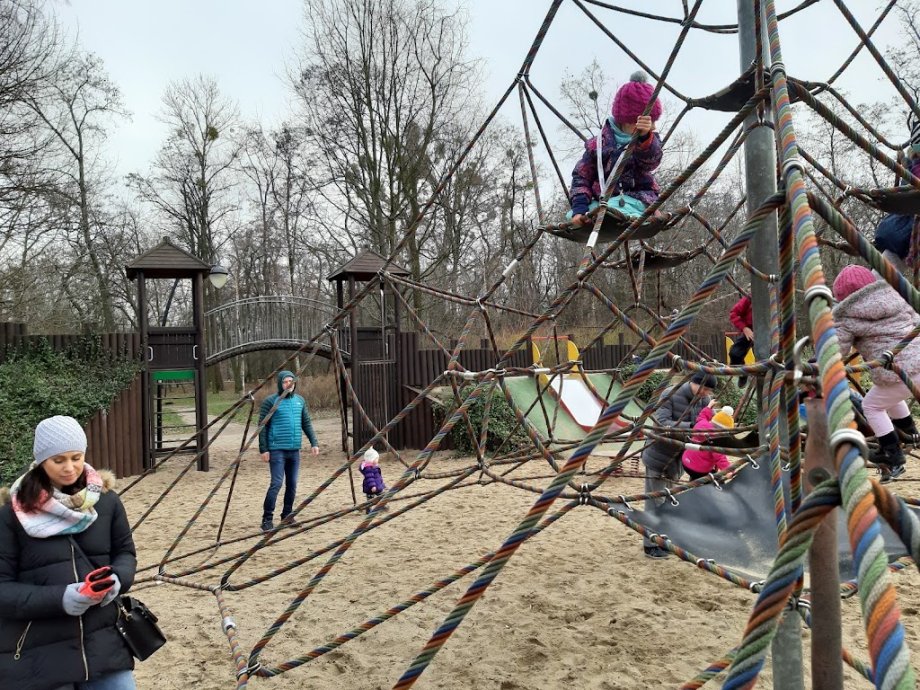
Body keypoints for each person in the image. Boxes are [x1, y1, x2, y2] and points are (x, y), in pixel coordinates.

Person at [0, 415, 138, 690]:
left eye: (76, 457)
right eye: (58, 460)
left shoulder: (107, 502)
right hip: (37, 651)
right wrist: (60, 598)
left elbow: (125, 553)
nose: (69, 468)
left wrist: (117, 580)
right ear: (41, 461)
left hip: (102, 644)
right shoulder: (11, 513)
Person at [832, 265, 920, 482]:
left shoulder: (846, 316)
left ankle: (892, 455)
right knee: (886, 394)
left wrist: (819, 360)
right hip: (916, 365)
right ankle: (910, 433)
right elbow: (916, 321)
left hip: (897, 373)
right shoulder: (897, 297)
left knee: (871, 405)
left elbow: (836, 351)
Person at [568, 71, 663, 227]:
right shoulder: (598, 145)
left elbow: (651, 162)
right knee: (581, 215)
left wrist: (645, 137)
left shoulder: (647, 141)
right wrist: (579, 209)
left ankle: (640, 216)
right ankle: (601, 216)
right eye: (646, 122)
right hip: (605, 203)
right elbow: (581, 177)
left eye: (652, 122)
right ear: (626, 120)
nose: (652, 127)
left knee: (614, 210)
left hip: (639, 200)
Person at [641, 371, 717, 558]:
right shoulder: (671, 394)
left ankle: (664, 540)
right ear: (694, 382)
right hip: (659, 456)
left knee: (669, 502)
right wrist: (692, 427)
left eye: (709, 390)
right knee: (655, 501)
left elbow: (705, 422)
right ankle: (650, 545)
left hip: (678, 459)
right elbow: (661, 423)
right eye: (704, 388)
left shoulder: (703, 400)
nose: (706, 393)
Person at [258, 370, 320, 532]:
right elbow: (262, 427)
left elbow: (306, 423)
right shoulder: (271, 401)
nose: (289, 384)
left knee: (292, 484)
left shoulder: (299, 401)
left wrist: (314, 442)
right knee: (277, 483)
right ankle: (267, 519)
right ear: (280, 383)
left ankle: (287, 515)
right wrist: (263, 449)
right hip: (277, 449)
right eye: (285, 382)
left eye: (291, 381)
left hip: (294, 450)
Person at [682, 406, 735, 480]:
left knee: (702, 471)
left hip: (685, 461)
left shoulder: (702, 423)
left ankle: (694, 479)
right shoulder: (715, 439)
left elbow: (702, 416)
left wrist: (709, 407)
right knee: (717, 480)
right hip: (698, 470)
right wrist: (729, 471)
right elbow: (720, 458)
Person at [728, 294, 753, 387]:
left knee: (763, 356)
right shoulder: (749, 299)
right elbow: (734, 313)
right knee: (734, 353)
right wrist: (744, 328)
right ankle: (743, 373)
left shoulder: (775, 296)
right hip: (751, 329)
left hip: (768, 330)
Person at [358, 447, 387, 514]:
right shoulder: (368, 468)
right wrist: (373, 486)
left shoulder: (374, 466)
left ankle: (382, 506)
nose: (378, 460)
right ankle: (368, 510)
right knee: (370, 500)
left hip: (377, 486)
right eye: (376, 458)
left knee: (382, 496)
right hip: (371, 487)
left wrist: (383, 485)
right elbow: (369, 478)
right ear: (372, 459)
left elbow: (378, 477)